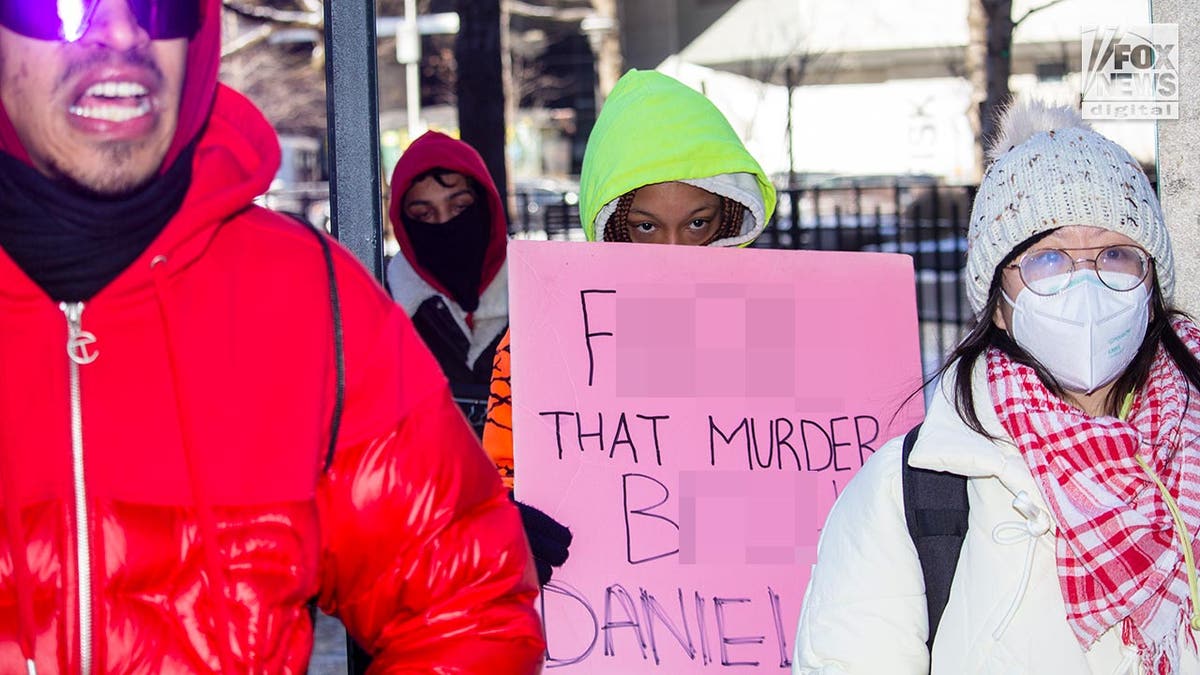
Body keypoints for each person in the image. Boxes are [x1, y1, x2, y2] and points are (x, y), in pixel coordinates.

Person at [0, 1, 543, 672]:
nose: (121, 30)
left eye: (161, 5)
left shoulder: (311, 299)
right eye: (60, 5)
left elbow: (469, 607)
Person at [793, 101, 1200, 673]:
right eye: (1048, 259)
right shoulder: (909, 492)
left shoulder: (1192, 453)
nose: (1086, 284)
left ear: (1152, 282)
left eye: (1115, 254)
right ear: (999, 301)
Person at [483, 68, 777, 582]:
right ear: (613, 225)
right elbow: (496, 478)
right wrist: (504, 520)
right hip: (609, 623)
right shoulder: (542, 344)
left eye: (697, 223)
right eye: (645, 226)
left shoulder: (785, 328)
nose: (672, 251)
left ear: (730, 218)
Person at [386, 131, 508, 436]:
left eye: (461, 207)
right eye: (424, 214)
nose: (444, 224)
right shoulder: (384, 314)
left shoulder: (543, 296)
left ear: (486, 206)